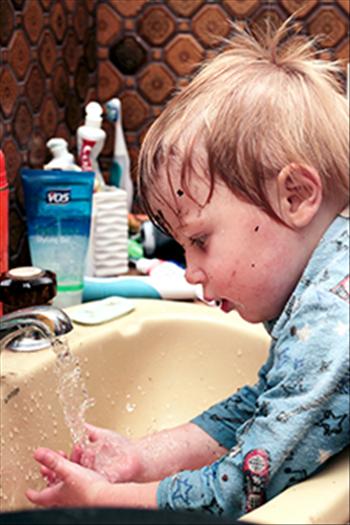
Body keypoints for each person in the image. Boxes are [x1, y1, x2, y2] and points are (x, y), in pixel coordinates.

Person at [26, 18, 349, 520]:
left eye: (200, 241)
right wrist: (139, 458)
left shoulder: (334, 317)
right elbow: (262, 404)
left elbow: (248, 481)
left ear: (297, 196)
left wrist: (103, 500)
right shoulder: (318, 293)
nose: (192, 271)